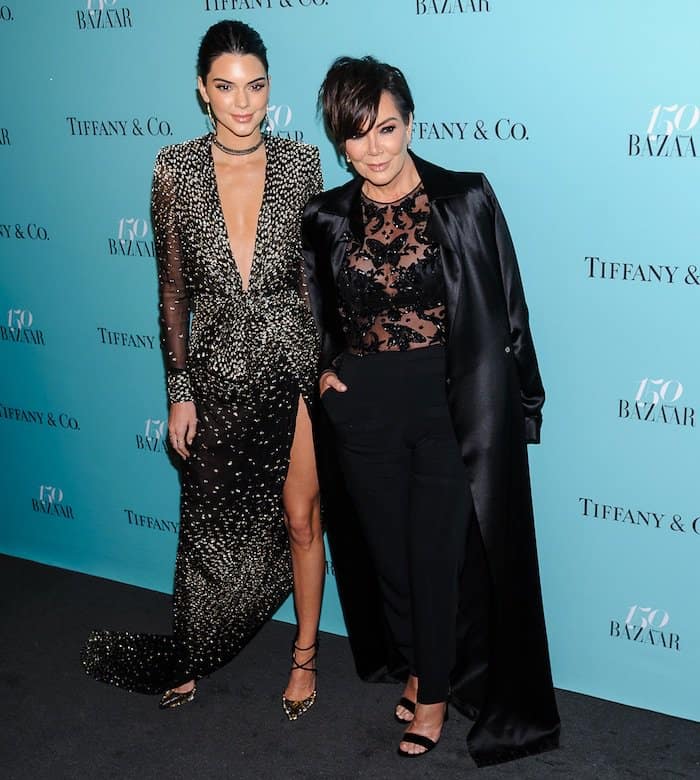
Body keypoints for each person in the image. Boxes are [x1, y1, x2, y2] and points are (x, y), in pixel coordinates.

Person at [302, 56, 560, 763]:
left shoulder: (465, 198)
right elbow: (312, 316)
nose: (374, 149)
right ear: (339, 140)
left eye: (386, 127)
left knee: (436, 555)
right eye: (356, 135)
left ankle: (436, 694)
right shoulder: (324, 216)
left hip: (451, 406)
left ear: (409, 121)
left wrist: (524, 406)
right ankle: (417, 665)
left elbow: (510, 310)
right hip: (365, 411)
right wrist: (324, 376)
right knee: (389, 557)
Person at [81, 20, 324, 721]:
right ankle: (189, 650)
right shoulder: (175, 167)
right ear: (202, 91)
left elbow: (312, 282)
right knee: (207, 522)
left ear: (269, 88)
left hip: (290, 360)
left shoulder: (302, 163)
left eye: (255, 86)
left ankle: (305, 655)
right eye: (226, 87)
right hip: (215, 367)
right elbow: (171, 292)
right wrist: (178, 392)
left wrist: (326, 371)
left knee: (302, 518)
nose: (242, 102)